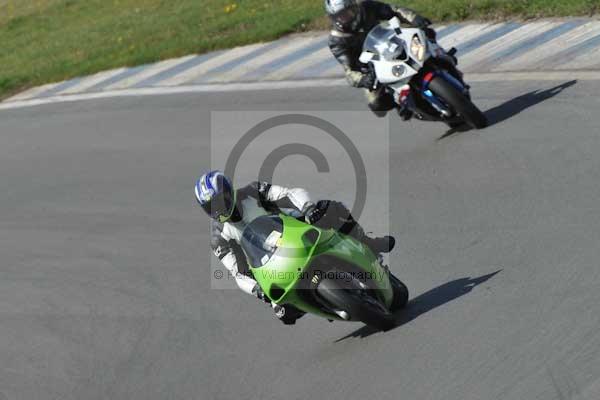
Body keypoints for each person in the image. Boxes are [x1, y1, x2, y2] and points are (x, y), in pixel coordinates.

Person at [195, 170, 395, 325]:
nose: (219, 208)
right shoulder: (218, 238)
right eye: (212, 207)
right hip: (271, 267)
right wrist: (258, 290)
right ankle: (329, 303)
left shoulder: (253, 192)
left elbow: (289, 194)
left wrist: (308, 207)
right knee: (285, 313)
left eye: (221, 201)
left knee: (330, 209)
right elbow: (237, 272)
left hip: (296, 232)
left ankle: (367, 243)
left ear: (229, 191)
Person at [326, 0, 446, 119]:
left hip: (392, 42)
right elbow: (349, 71)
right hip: (372, 67)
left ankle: (443, 58)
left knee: (426, 38)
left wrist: (415, 19)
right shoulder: (336, 40)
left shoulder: (367, 7)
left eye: (347, 13)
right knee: (377, 104)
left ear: (355, 8)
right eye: (340, 16)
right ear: (333, 18)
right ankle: (403, 104)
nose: (345, 18)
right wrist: (363, 79)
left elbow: (394, 10)